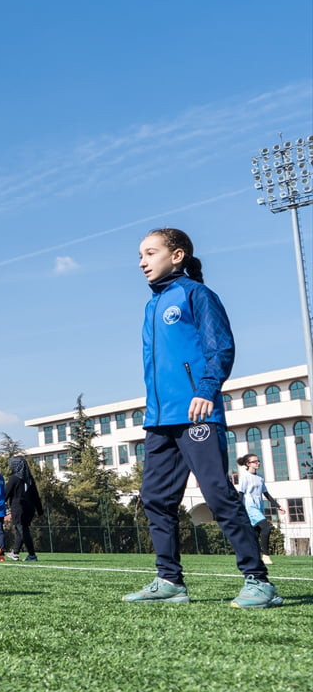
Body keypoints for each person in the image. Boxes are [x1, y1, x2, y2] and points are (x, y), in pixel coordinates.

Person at [125, 228, 281, 608]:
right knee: (155, 499)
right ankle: (169, 581)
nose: (142, 261)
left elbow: (221, 348)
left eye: (150, 252)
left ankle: (258, 582)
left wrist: (205, 391)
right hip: (160, 420)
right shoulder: (152, 305)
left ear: (176, 255)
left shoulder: (197, 295)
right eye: (140, 255)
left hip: (197, 413)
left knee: (217, 494)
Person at [237, 453, 285, 566]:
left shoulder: (260, 478)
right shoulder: (244, 477)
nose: (258, 463)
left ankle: (253, 556)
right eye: (255, 461)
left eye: (258, 461)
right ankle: (266, 555)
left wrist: (278, 506)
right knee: (266, 528)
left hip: (259, 506)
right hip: (250, 506)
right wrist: (238, 510)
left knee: (255, 533)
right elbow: (241, 494)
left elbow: (266, 494)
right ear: (248, 464)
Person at [5, 456, 43, 562]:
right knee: (19, 530)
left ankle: (32, 555)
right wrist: (40, 510)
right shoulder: (29, 479)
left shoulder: (14, 478)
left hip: (19, 508)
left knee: (22, 530)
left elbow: (6, 493)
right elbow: (35, 495)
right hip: (29, 508)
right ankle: (15, 553)